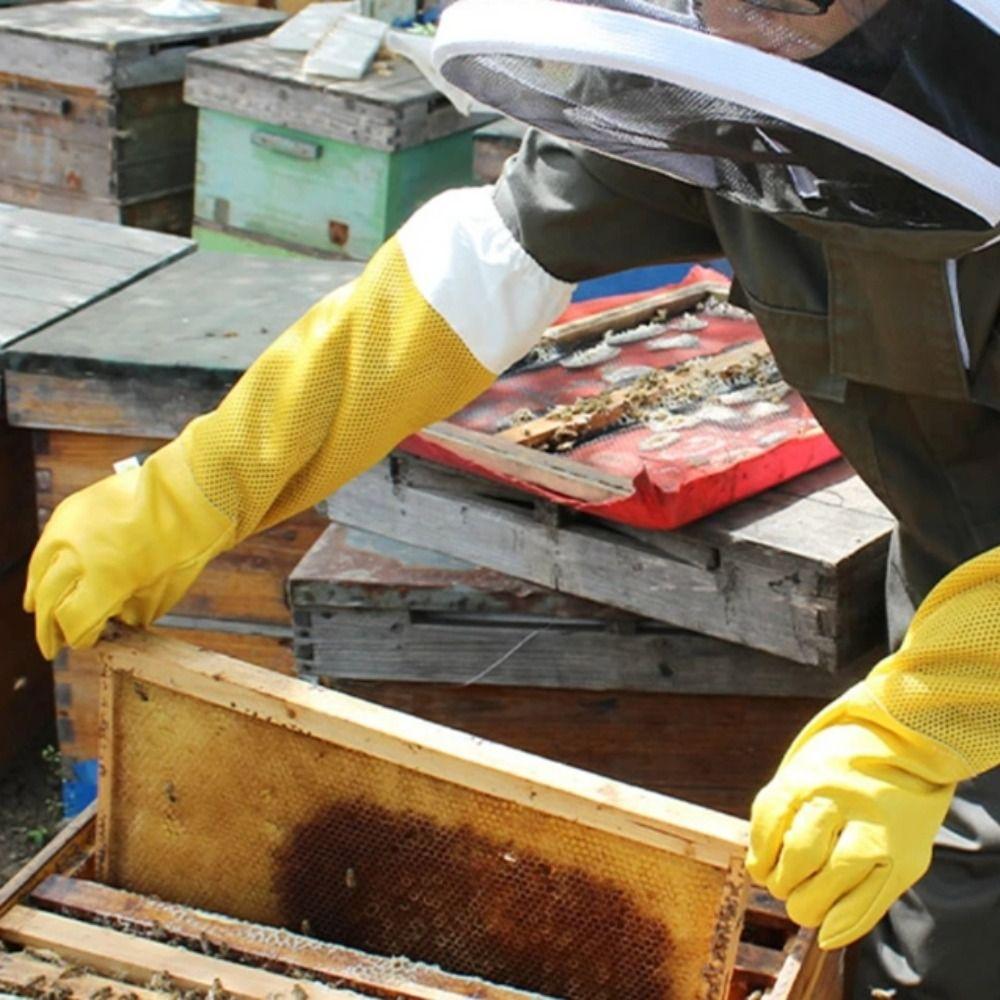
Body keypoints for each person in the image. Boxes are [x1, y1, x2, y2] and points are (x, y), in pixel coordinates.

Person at [26, 0, 999, 994]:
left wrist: (923, 722)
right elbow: (482, 266)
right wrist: (207, 478)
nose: (740, 25)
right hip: (952, 589)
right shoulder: (727, 70)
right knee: (937, 941)